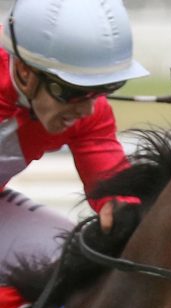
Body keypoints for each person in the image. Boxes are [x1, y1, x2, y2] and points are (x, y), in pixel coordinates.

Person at [0, 0, 148, 268]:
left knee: (68, 263)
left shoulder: (92, 114)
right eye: (75, 91)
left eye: (101, 89)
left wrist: (122, 208)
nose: (87, 109)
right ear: (25, 72)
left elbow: (113, 189)